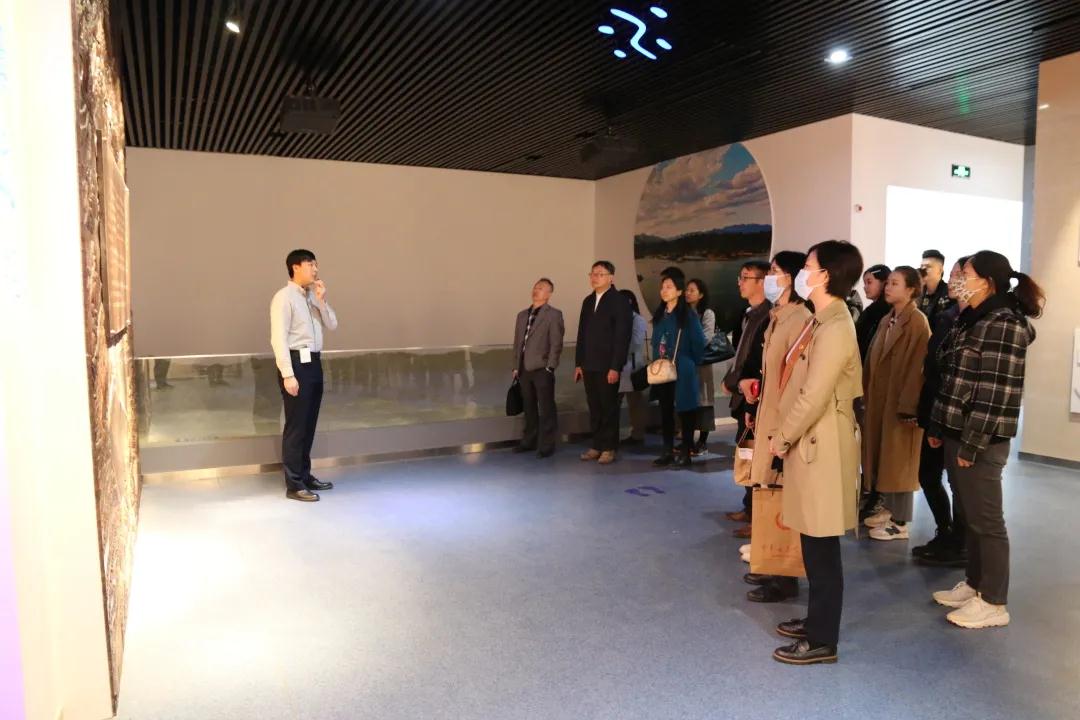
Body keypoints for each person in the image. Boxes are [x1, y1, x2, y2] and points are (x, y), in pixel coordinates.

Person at [928, 251, 1043, 629]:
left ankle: (994, 601)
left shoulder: (1004, 323)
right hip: (956, 432)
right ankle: (975, 583)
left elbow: (995, 393)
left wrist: (973, 443)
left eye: (966, 273)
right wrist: (939, 427)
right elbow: (954, 378)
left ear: (987, 282)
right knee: (970, 514)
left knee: (987, 521)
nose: (958, 279)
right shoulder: (972, 318)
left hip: (980, 440)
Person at [768, 240, 863, 666]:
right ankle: (815, 622)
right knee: (812, 539)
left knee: (822, 545)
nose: (802, 273)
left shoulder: (836, 326)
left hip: (820, 446)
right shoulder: (821, 320)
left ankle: (823, 639)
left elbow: (813, 395)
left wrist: (782, 437)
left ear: (826, 274)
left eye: (808, 266)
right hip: (810, 443)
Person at [742, 250, 812, 603]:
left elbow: (797, 383)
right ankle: (771, 564)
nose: (770, 278)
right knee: (769, 492)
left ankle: (785, 576)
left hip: (783, 424)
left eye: (774, 271)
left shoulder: (800, 319)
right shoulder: (777, 316)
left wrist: (783, 429)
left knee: (782, 497)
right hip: (768, 416)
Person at [861, 267, 931, 541]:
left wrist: (909, 406)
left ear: (911, 289)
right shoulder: (888, 319)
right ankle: (889, 509)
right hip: (882, 401)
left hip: (902, 403)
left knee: (902, 460)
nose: (888, 287)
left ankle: (900, 521)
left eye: (895, 283)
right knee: (886, 457)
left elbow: (918, 369)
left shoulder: (917, 322)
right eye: (888, 283)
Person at [912, 256, 970, 566]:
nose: (958, 280)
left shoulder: (973, 322)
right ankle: (946, 532)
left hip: (957, 416)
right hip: (936, 408)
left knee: (960, 485)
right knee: (929, 474)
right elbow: (934, 364)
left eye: (964, 273)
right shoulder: (949, 317)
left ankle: (960, 544)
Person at [270, 249, 338, 502]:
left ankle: (305, 475)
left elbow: (332, 324)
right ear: (295, 267)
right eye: (311, 264)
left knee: (309, 424)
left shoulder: (312, 297)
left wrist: (321, 300)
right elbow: (278, 338)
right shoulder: (283, 297)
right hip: (296, 364)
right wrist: (288, 374)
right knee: (296, 426)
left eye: (316, 265)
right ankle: (294, 484)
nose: (315, 269)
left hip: (314, 363)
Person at [722, 260, 772, 537]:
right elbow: (740, 355)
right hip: (743, 395)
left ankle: (758, 516)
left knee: (757, 457)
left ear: (761, 282)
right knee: (746, 451)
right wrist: (732, 380)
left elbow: (756, 362)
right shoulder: (749, 314)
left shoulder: (768, 316)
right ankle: (749, 506)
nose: (740, 283)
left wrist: (738, 383)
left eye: (745, 277)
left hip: (755, 396)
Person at [575, 261, 632, 465]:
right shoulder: (588, 301)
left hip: (608, 365)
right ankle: (596, 444)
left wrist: (615, 366)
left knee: (609, 408)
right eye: (593, 274)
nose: (595, 277)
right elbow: (581, 334)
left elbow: (622, 337)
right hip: (589, 363)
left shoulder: (619, 301)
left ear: (611, 278)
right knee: (595, 407)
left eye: (600, 274)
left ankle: (609, 447)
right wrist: (579, 363)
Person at [650, 274, 706, 468]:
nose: (664, 290)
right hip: (663, 368)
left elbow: (698, 342)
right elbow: (656, 342)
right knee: (665, 409)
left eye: (669, 286)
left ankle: (686, 451)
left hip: (683, 365)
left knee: (686, 409)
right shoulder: (660, 314)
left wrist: (691, 362)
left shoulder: (687, 315)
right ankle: (667, 451)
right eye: (663, 287)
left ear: (679, 291)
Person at [512, 278, 565, 458]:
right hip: (524, 369)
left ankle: (547, 444)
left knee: (546, 407)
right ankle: (529, 441)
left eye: (541, 288)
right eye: (535, 287)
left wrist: (550, 366)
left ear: (549, 293)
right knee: (528, 407)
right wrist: (515, 366)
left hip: (542, 368)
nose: (536, 290)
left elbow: (556, 343)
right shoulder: (522, 315)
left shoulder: (554, 315)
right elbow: (517, 343)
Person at [685, 278, 716, 455]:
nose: (688, 293)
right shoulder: (682, 313)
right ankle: (687, 441)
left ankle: (702, 442)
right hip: (685, 365)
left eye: (692, 290)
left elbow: (706, 337)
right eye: (687, 290)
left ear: (701, 294)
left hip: (701, 364)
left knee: (704, 402)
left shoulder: (707, 313)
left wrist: (688, 347)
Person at [618, 289, 649, 446]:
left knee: (635, 403)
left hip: (632, 368)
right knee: (615, 402)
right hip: (618, 367)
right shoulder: (617, 318)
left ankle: (638, 434)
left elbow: (635, 343)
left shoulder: (638, 320)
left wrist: (616, 350)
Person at [856, 264, 891, 361]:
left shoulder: (884, 311)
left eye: (869, 282)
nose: (865, 287)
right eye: (864, 283)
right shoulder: (872, 310)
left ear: (884, 282)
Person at [918, 249, 952, 328]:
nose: (923, 270)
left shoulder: (949, 294)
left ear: (940, 270)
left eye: (928, 266)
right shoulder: (918, 293)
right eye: (922, 266)